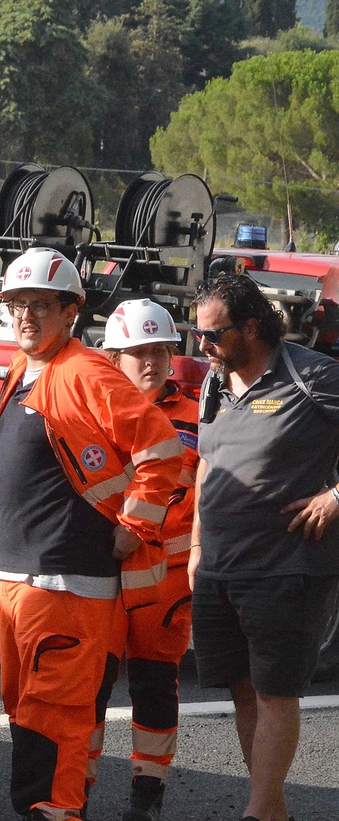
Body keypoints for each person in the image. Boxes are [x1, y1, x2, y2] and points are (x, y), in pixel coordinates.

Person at [0, 248, 183, 821]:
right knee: (25, 710)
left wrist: (134, 527)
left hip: (65, 583)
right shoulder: (30, 368)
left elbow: (162, 451)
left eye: (39, 305)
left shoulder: (86, 373)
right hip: (19, 575)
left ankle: (55, 811)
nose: (24, 316)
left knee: (55, 716)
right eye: (16, 304)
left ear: (71, 311)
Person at [188, 274, 339, 821]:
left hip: (286, 567)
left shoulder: (313, 373)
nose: (202, 344)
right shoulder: (215, 382)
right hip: (219, 566)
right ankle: (270, 808)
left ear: (252, 327)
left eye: (213, 334)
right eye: (197, 332)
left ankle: (258, 811)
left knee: (275, 692)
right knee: (242, 690)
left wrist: (335, 498)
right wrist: (196, 545)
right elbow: (207, 462)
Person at [94, 299, 200, 821]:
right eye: (140, 352)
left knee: (155, 689)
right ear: (113, 358)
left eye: (161, 350)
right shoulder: (91, 414)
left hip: (166, 585)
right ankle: (76, 788)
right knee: (89, 688)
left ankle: (147, 799)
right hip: (102, 578)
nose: (154, 361)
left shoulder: (196, 418)